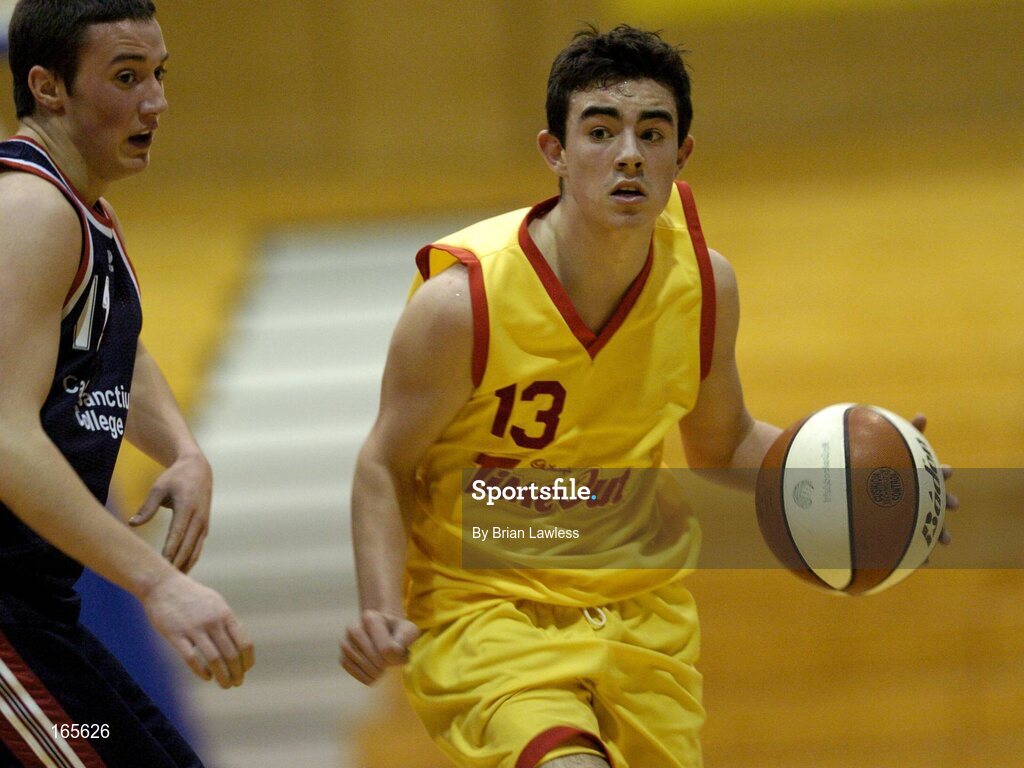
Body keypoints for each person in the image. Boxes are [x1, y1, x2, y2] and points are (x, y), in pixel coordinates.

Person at [340, 24, 952, 768]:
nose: (628, 153)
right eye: (600, 131)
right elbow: (382, 463)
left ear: (680, 154)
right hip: (489, 614)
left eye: (651, 132)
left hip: (642, 619)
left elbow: (723, 444)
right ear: (554, 152)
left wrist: (878, 480)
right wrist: (380, 607)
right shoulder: (460, 304)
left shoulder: (705, 284)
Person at [0, 2, 254, 766]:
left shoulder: (84, 211)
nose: (155, 101)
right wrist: (158, 583)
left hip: (37, 611)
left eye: (158, 74)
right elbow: (6, 434)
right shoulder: (31, 211)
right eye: (125, 77)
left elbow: (119, 349)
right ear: (48, 88)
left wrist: (182, 449)